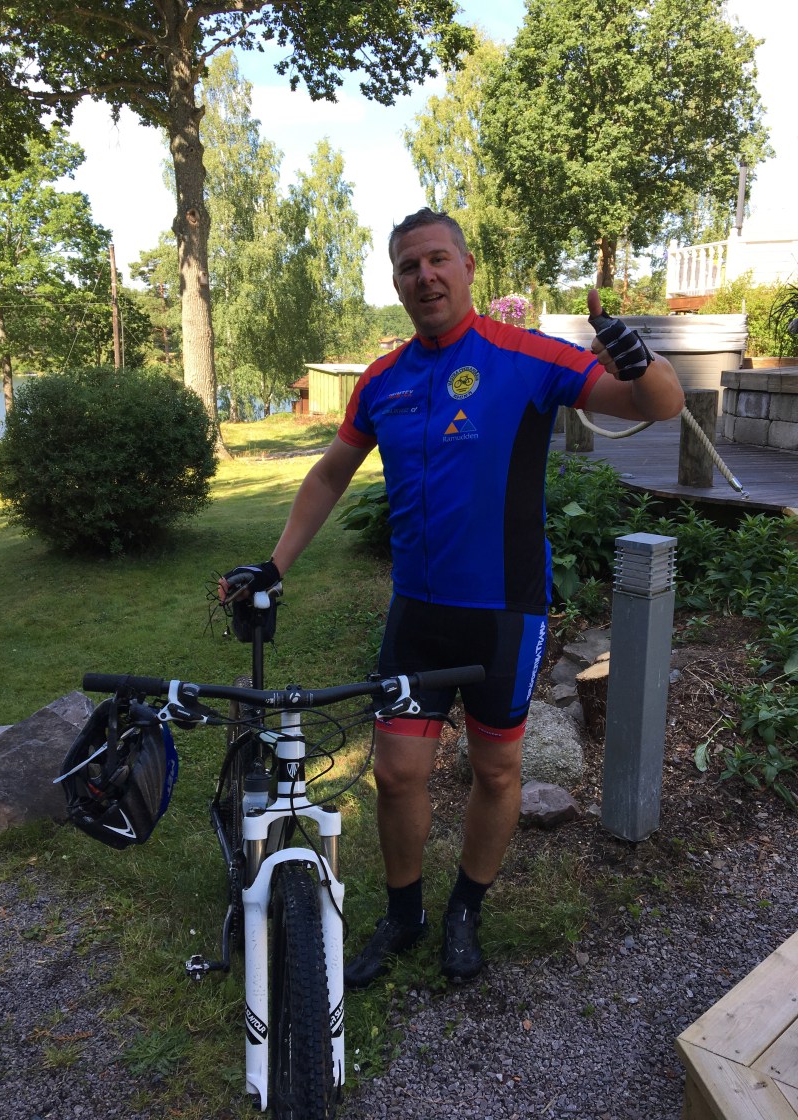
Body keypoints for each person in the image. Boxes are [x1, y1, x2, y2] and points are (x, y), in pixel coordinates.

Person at [220, 208, 684, 988]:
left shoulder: (528, 356)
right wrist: (275, 565)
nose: (425, 276)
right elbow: (330, 473)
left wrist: (636, 355)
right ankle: (405, 915)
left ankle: (466, 908)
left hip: (504, 612)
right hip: (418, 615)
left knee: (496, 772)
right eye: (409, 266)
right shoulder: (382, 380)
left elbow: (658, 405)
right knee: (398, 773)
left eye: (438, 259)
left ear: (467, 268)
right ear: (397, 282)